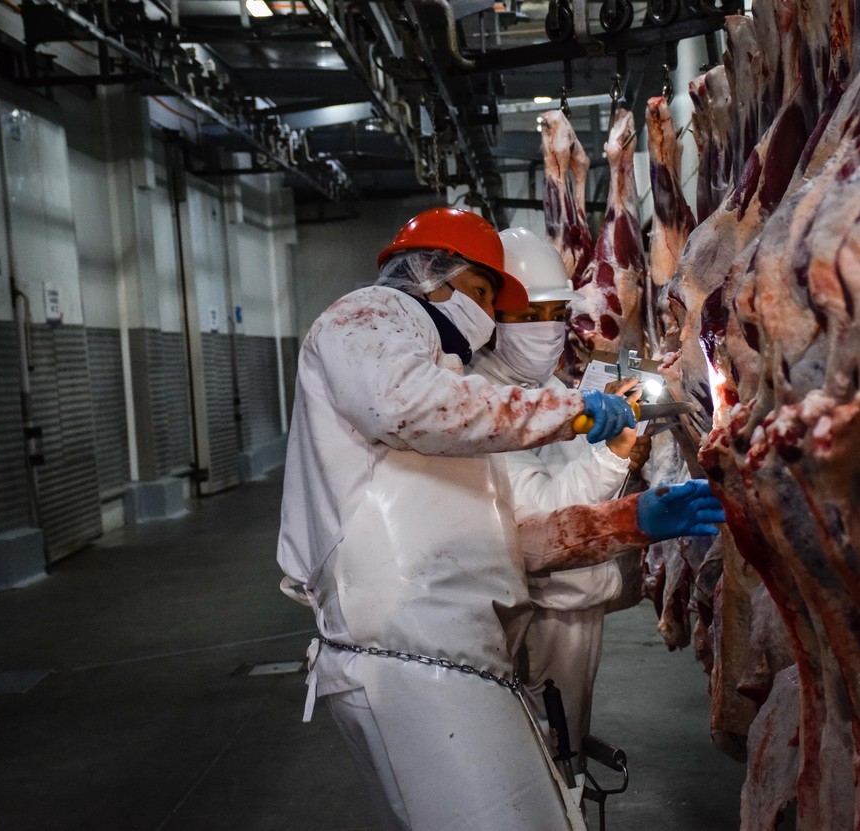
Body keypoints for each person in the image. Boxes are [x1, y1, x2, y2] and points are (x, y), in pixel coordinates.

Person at [277, 207, 724, 831]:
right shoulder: (370, 315)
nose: (486, 316)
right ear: (434, 277)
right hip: (408, 654)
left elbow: (507, 541)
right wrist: (569, 412)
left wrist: (634, 521)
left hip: (443, 653)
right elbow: (408, 404)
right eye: (484, 294)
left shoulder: (445, 384)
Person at [469, 226, 651, 770]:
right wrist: (613, 454)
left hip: (573, 598)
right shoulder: (483, 400)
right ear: (491, 319)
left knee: (565, 739)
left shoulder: (541, 386)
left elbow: (566, 461)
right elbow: (543, 510)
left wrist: (600, 425)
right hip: (537, 610)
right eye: (528, 317)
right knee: (543, 754)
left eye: (554, 315)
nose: (546, 331)